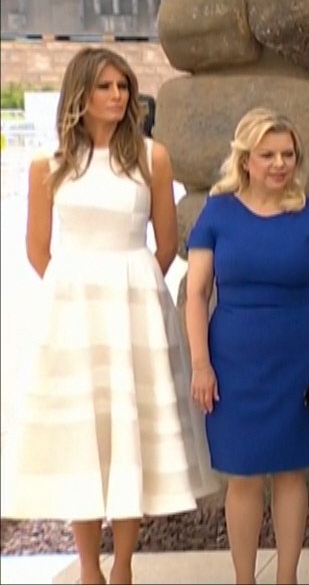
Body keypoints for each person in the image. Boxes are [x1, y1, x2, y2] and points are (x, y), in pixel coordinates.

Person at [0, 47, 218, 585]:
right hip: (72, 312)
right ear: (81, 95)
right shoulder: (47, 166)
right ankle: (89, 568)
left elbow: (167, 243)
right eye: (105, 87)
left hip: (135, 306)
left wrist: (131, 282)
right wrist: (77, 287)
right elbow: (37, 247)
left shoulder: (151, 157)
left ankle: (122, 564)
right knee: (84, 434)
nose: (118, 97)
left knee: (131, 430)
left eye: (123, 87)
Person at [185, 107, 309, 584]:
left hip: (298, 354)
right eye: (267, 154)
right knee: (244, 473)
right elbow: (195, 293)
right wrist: (200, 364)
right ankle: (244, 578)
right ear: (246, 159)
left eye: (288, 154)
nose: (279, 163)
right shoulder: (218, 211)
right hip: (232, 357)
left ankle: (287, 576)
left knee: (293, 471)